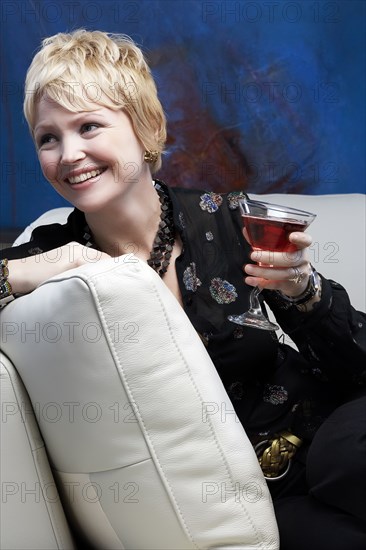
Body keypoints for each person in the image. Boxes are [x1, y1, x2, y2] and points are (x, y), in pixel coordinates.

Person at [1, 29, 365, 549]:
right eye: (47, 138)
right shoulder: (53, 251)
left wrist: (303, 290)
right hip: (262, 499)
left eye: (88, 126)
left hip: (333, 428)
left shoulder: (227, 217)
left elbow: (357, 365)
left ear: (145, 127)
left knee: (343, 457)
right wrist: (23, 270)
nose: (69, 153)